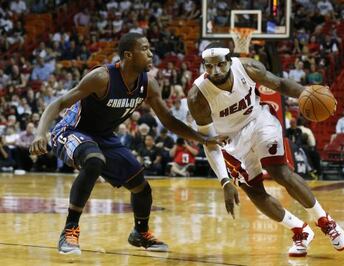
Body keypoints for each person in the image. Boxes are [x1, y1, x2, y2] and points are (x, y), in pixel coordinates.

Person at [29, 33, 225, 255]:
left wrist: (203, 138)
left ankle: (140, 233)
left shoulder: (148, 85)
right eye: (145, 49)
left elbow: (168, 120)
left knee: (141, 187)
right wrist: (40, 133)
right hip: (71, 131)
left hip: (104, 138)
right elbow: (59, 103)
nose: (151, 53)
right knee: (94, 161)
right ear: (128, 55)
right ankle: (70, 230)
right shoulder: (102, 78)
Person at [187, 42, 344, 257]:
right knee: (254, 191)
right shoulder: (197, 97)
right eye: (208, 66)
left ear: (229, 61)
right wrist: (224, 181)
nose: (215, 71)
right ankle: (300, 230)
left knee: (280, 172)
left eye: (220, 65)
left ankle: (325, 221)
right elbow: (209, 143)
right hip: (231, 141)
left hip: (259, 121)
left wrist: (306, 94)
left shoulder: (247, 68)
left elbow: (280, 84)